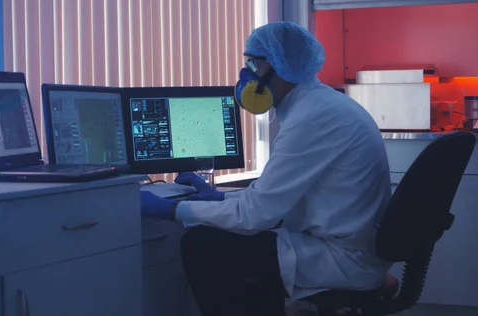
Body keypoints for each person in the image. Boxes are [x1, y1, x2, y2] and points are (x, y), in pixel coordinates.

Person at [140, 21, 392, 316]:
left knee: (202, 244)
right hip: (346, 244)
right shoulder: (319, 105)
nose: (247, 77)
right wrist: (220, 198)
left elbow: (255, 215)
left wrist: (171, 210)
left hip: (344, 258)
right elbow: (275, 198)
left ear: (280, 66)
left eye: (254, 65)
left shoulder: (313, 117)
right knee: (229, 240)